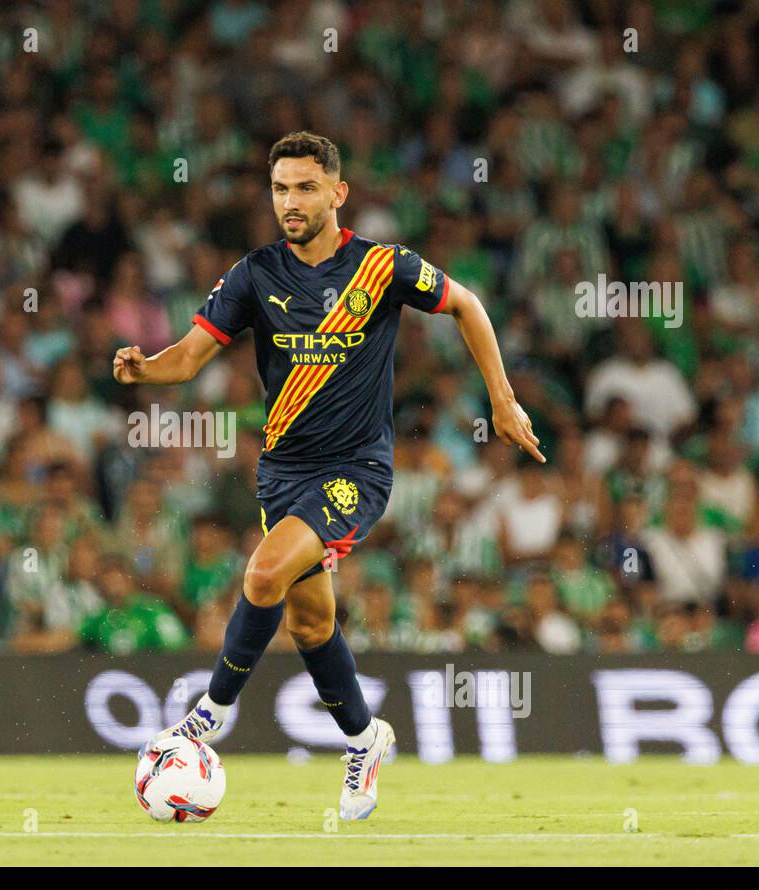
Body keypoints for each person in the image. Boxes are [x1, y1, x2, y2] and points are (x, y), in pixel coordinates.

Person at [112, 132, 542, 820]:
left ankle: (208, 714)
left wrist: (502, 396)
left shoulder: (382, 267)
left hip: (356, 469)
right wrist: (145, 368)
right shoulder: (256, 273)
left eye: (306, 187)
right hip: (283, 471)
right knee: (311, 625)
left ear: (337, 193)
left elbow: (468, 304)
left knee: (260, 576)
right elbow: (189, 356)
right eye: (280, 187)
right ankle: (365, 739)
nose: (290, 200)